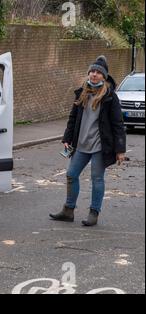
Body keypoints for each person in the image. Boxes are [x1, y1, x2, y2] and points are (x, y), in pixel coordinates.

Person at [50, 55, 126, 226]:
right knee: (71, 174)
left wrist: (120, 150)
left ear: (104, 76)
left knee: (97, 178)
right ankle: (68, 210)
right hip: (81, 144)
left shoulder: (110, 97)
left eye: (98, 72)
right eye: (91, 71)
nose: (94, 74)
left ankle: (94, 212)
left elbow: (118, 124)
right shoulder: (82, 93)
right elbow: (72, 118)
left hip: (100, 146)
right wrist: (67, 139)